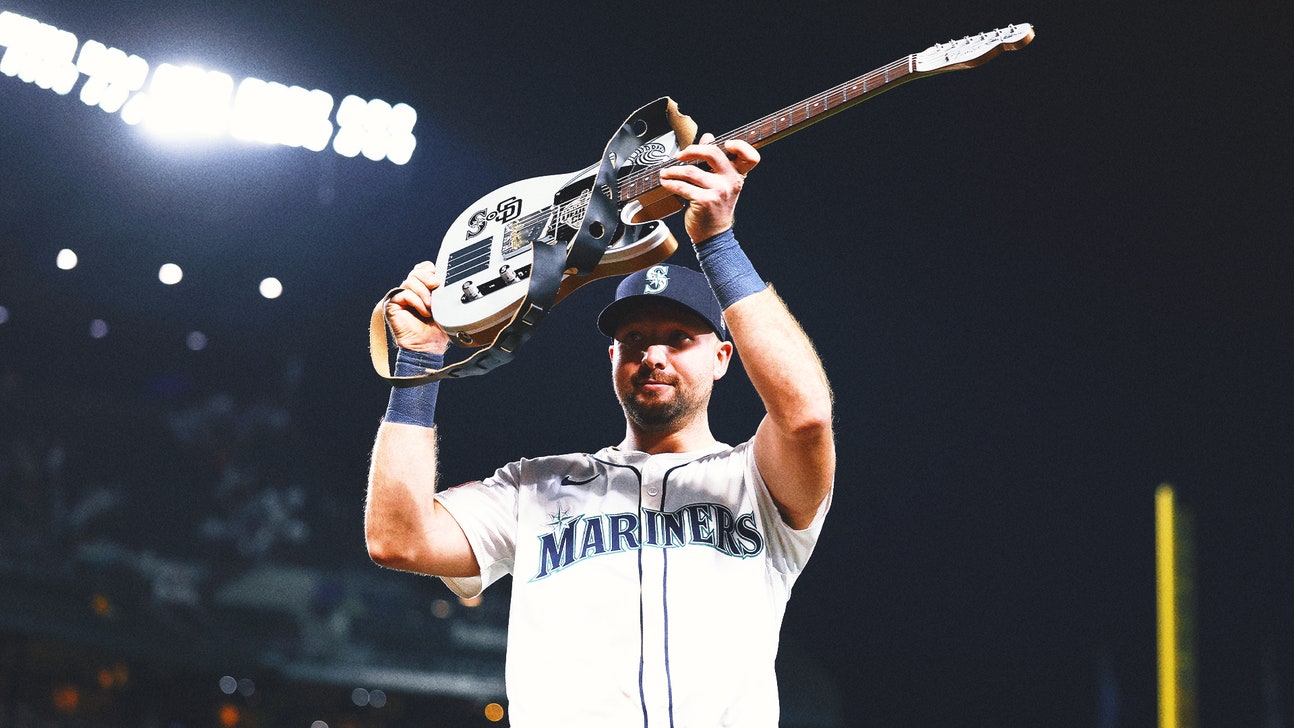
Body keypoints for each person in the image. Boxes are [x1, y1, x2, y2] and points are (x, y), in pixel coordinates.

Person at [365, 133, 835, 727]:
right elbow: (397, 539)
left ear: (722, 357)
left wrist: (717, 241)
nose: (654, 355)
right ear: (612, 359)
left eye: (679, 338)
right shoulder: (533, 489)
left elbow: (807, 415)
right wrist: (420, 362)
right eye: (634, 340)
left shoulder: (758, 480)